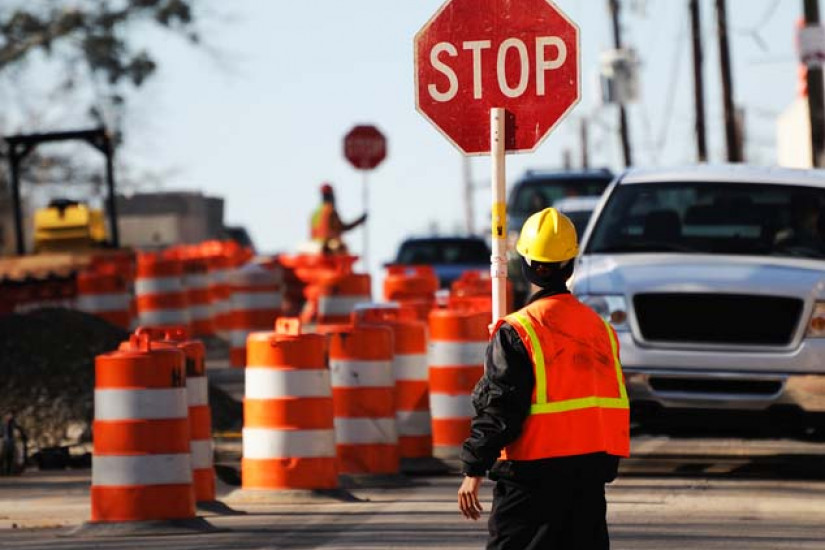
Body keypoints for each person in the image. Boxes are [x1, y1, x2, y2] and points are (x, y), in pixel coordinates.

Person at [457, 207, 630, 549]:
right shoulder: (601, 330)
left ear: (526, 264)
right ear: (570, 264)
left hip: (530, 479)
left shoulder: (518, 330)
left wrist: (473, 469)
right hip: (588, 477)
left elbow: (501, 407)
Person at [309, 183, 367, 254]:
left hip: (315, 246)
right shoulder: (330, 211)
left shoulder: (315, 213)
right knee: (343, 247)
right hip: (327, 246)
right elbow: (343, 227)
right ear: (331, 196)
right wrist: (360, 220)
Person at [1, 410, 27, 476]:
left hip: (14, 441)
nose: (8, 417)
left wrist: (20, 436)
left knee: (14, 457)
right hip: (5, 441)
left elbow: (21, 432)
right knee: (5, 456)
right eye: (7, 415)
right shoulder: (3, 424)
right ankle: (5, 471)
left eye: (10, 415)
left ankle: (13, 471)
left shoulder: (15, 423)